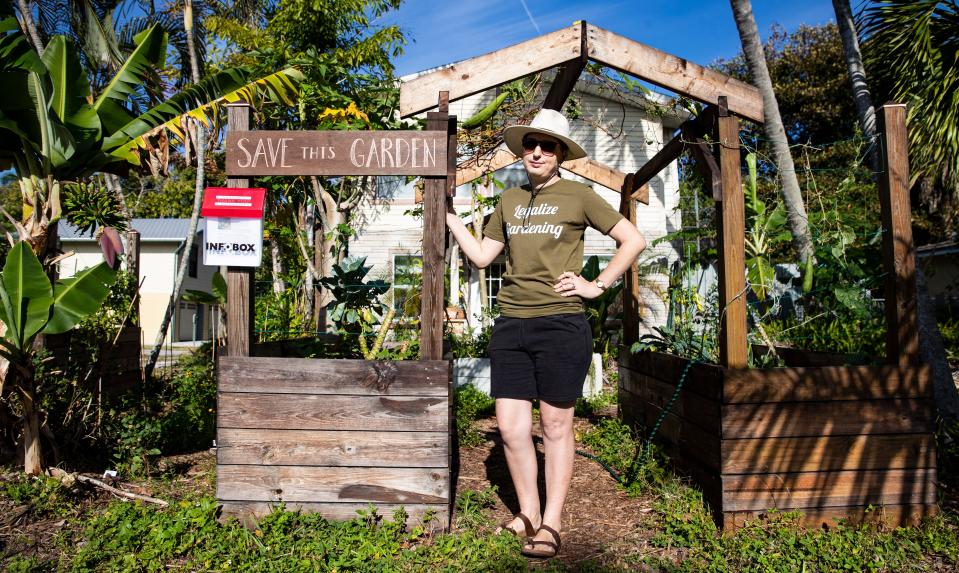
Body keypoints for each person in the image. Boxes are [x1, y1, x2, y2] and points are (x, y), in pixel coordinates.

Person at [446, 108, 646, 558]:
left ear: (560, 154)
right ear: (523, 150)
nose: (537, 151)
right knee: (511, 427)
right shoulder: (509, 200)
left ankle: (552, 522)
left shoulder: (578, 195)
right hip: (511, 324)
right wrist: (451, 218)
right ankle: (528, 513)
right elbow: (482, 257)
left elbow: (633, 239)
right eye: (531, 144)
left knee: (556, 426)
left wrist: (596, 285)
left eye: (547, 146)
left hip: (561, 322)